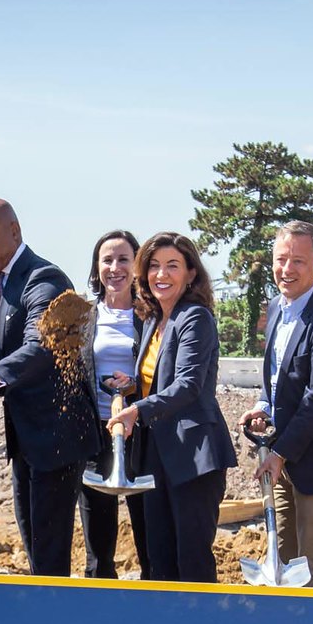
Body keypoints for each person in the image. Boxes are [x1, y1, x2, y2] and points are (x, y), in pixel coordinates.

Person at [0, 198, 99, 576]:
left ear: (14, 231)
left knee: (50, 548)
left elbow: (40, 346)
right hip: (24, 436)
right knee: (31, 537)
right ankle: (41, 610)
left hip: (58, 434)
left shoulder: (44, 279)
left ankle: (52, 623)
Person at [105, 232, 234, 583]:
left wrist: (137, 410)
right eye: (155, 266)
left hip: (192, 457)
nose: (161, 274)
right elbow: (159, 379)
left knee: (190, 560)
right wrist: (132, 386)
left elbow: (189, 384)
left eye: (172, 266)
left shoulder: (195, 318)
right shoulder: (154, 319)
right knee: (157, 558)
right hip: (156, 455)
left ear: (191, 273)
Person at [241, 221, 313, 588]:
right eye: (281, 259)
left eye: (298, 261)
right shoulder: (277, 307)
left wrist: (280, 454)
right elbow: (277, 375)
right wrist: (263, 404)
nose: (287, 269)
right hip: (285, 452)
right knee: (281, 556)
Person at [77, 228, 149, 579]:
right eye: (107, 260)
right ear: (96, 268)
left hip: (141, 435)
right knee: (97, 542)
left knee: (149, 535)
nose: (115, 267)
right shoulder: (85, 318)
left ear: (138, 266)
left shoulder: (151, 315)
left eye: (124, 259)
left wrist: (136, 386)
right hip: (97, 436)